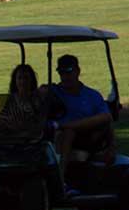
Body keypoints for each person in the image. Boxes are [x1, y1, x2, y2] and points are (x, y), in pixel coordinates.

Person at [48, 54, 115, 184]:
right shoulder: (54, 92)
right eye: (61, 72)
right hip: (56, 136)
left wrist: (111, 147)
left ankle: (60, 178)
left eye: (68, 72)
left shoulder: (92, 95)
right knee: (64, 133)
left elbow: (107, 118)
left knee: (70, 131)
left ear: (78, 71)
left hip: (86, 138)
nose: (64, 76)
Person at [0, 64, 46, 137]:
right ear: (15, 80)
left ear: (31, 80)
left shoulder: (37, 99)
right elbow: (3, 118)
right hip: (11, 137)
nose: (23, 82)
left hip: (31, 137)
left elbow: (37, 123)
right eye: (19, 78)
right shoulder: (11, 99)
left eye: (26, 78)